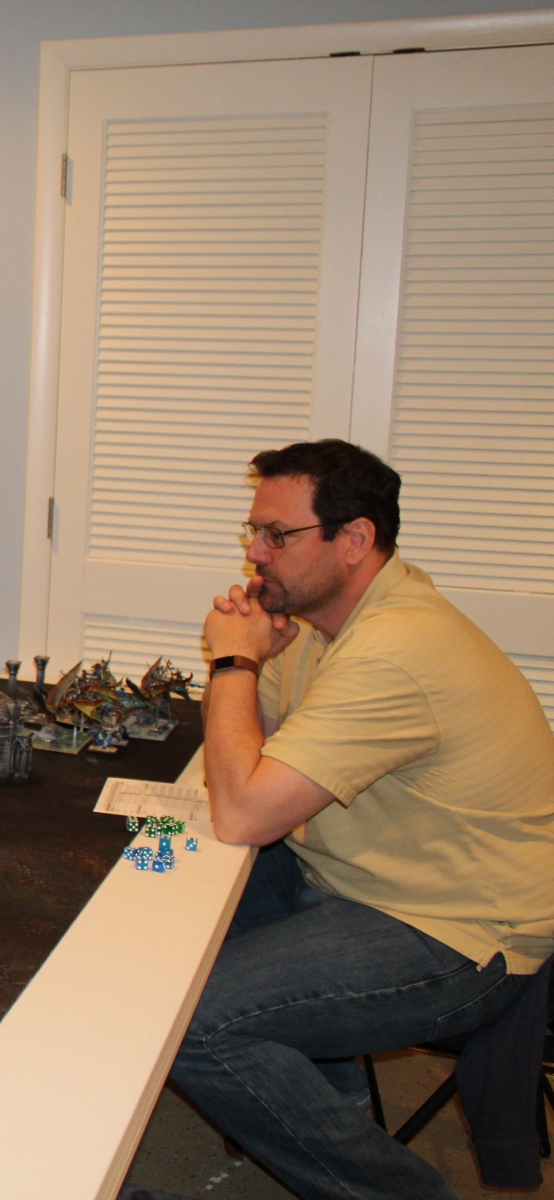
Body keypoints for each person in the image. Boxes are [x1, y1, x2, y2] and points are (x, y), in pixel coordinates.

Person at [165, 439, 554, 1200]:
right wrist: (253, 660)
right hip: (362, 873)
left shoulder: (395, 647)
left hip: (457, 931)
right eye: (254, 531)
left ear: (355, 539)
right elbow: (243, 753)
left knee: (192, 1020)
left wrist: (234, 661)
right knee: (162, 865)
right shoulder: (327, 621)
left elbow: (242, 811)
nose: (255, 553)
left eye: (278, 535)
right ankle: (323, 1099)